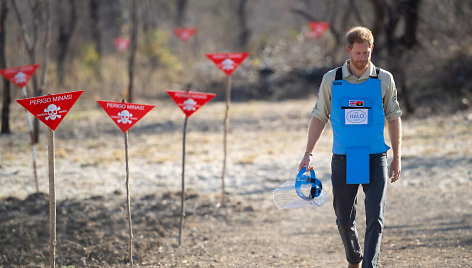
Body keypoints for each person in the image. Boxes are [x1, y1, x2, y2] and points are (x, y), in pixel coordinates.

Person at [298, 26, 402, 268]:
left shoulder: (384, 79)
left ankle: (370, 265)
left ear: (371, 50)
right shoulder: (331, 80)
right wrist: (307, 153)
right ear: (348, 50)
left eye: (367, 53)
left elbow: (394, 117)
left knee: (376, 216)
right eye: (358, 53)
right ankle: (355, 259)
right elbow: (318, 117)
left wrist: (397, 156)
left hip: (376, 157)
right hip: (344, 158)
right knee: (344, 218)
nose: (363, 58)